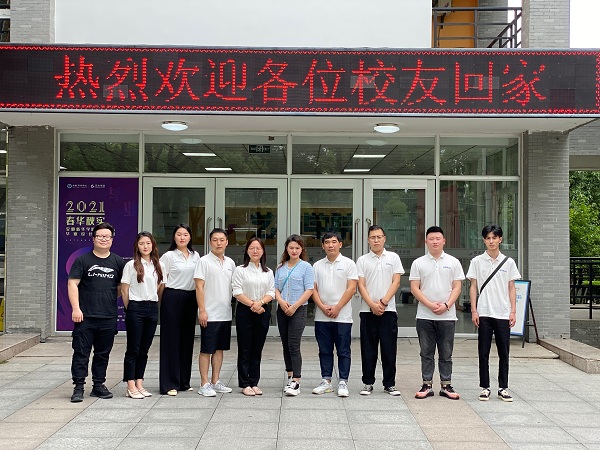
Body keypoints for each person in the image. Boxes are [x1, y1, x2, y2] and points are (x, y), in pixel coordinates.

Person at [68, 222, 125, 403]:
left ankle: (98, 385)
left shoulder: (118, 262)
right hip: (85, 316)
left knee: (103, 353)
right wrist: (76, 308)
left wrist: (106, 297)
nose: (103, 239)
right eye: (100, 236)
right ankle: (78, 387)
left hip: (108, 316)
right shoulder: (82, 261)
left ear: (112, 239)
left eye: (107, 236)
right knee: (81, 353)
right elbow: (72, 284)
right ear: (93, 239)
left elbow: (120, 287)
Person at [409, 226, 465, 400]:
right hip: (425, 315)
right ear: (426, 242)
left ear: (444, 241)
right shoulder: (418, 263)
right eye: (431, 239)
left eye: (438, 238)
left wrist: (446, 305)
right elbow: (414, 288)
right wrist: (429, 305)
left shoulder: (453, 262)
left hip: (447, 316)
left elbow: (457, 287)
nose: (435, 242)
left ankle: (446, 385)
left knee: (446, 352)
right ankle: (426, 384)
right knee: (426, 352)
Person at [467, 224, 521, 402]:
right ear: (484, 240)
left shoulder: (509, 262)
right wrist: (474, 310)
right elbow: (473, 287)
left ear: (500, 239)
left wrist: (513, 311)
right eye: (488, 238)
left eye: (494, 238)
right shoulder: (477, 261)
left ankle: (503, 387)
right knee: (483, 352)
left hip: (503, 313)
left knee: (504, 352)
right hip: (484, 312)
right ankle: (485, 387)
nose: (491, 241)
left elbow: (512, 288)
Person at [356, 225, 403, 396]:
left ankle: (389, 383)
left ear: (384, 238)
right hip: (367, 311)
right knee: (368, 348)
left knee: (389, 348)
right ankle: (368, 382)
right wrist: (371, 304)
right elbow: (361, 285)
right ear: (368, 240)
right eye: (372, 237)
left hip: (388, 311)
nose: (376, 240)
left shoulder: (393, 257)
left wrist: (383, 302)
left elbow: (396, 282)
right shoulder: (362, 260)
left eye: (379, 237)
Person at [311, 232, 358, 398]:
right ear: (322, 245)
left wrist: (337, 307)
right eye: (327, 242)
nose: (330, 245)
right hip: (321, 316)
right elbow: (313, 289)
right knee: (324, 350)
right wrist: (322, 307)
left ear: (340, 244)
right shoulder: (317, 265)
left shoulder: (349, 264)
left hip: (343, 316)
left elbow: (351, 288)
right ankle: (326, 381)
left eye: (333, 242)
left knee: (343, 350)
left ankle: (343, 381)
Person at [121, 231, 165, 399]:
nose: (145, 246)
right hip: (135, 307)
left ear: (153, 245)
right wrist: (130, 308)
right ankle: (130, 385)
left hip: (152, 307)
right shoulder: (131, 265)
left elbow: (160, 287)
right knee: (133, 348)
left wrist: (153, 303)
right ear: (137, 247)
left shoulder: (159, 265)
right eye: (141, 244)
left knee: (144, 349)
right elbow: (124, 290)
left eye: (148, 243)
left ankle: (139, 382)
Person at [159, 224, 200, 396]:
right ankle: (169, 383)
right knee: (171, 340)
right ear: (174, 237)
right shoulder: (168, 256)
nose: (182, 237)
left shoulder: (196, 256)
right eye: (178, 234)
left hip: (191, 298)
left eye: (185, 234)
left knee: (187, 339)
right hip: (172, 297)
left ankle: (184, 381)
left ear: (190, 237)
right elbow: (162, 282)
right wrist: (161, 302)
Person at [194, 228, 236, 397]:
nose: (219, 243)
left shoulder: (230, 263)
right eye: (215, 240)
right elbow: (199, 287)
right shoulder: (203, 261)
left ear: (227, 242)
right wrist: (202, 310)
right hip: (209, 313)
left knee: (219, 349)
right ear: (210, 242)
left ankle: (215, 381)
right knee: (206, 349)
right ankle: (204, 383)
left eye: (222, 240)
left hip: (225, 312)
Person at [232, 237, 275, 396]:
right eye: (252, 248)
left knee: (257, 348)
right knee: (245, 348)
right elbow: (237, 291)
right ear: (247, 251)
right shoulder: (240, 270)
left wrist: (260, 303)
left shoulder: (268, 271)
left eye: (258, 248)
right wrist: (253, 305)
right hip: (245, 311)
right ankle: (245, 383)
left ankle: (254, 382)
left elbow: (271, 291)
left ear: (263, 251)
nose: (255, 251)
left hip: (263, 311)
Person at [275, 234, 314, 396]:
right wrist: (281, 302)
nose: (294, 250)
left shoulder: (306, 267)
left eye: (297, 248)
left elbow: (309, 289)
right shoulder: (280, 267)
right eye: (291, 247)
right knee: (285, 344)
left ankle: (297, 381)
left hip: (298, 310)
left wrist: (295, 306)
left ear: (301, 249)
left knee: (293, 344)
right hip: (282, 310)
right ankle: (290, 376)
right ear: (286, 249)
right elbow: (276, 288)